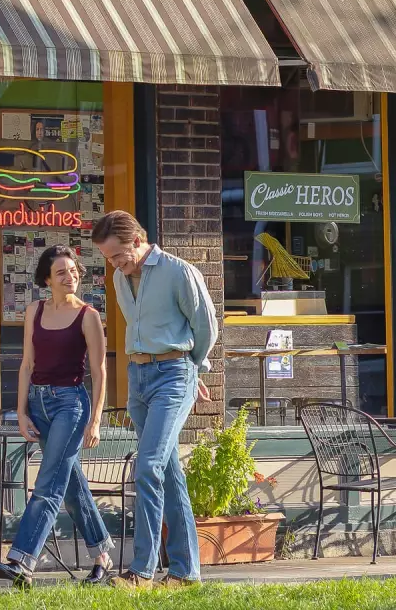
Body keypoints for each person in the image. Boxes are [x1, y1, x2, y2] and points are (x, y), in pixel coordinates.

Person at [92, 211, 218, 589]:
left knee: (147, 466)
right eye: (108, 258)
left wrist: (193, 371)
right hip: (139, 377)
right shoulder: (118, 278)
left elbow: (206, 325)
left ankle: (141, 571)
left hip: (174, 374)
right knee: (168, 472)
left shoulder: (180, 272)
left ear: (136, 239)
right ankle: (185, 572)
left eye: (117, 254)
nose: (113, 264)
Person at [0, 245, 114, 589]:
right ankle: (102, 555)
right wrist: (21, 411)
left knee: (47, 484)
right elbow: (26, 364)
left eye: (74, 271)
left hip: (70, 406)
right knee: (70, 484)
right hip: (38, 404)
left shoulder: (88, 315)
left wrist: (96, 420)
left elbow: (100, 370)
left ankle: (22, 562)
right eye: (61, 272)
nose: (70, 277)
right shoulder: (34, 311)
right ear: (47, 279)